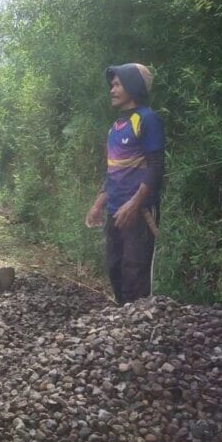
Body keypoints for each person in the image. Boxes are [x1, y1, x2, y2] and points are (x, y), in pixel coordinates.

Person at [85, 63, 165, 305]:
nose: (112, 89)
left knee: (135, 278)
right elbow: (112, 171)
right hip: (115, 212)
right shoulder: (116, 127)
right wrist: (98, 204)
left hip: (138, 213)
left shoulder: (147, 119)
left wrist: (134, 204)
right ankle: (122, 332)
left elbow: (156, 167)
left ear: (133, 86)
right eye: (112, 85)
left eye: (118, 84)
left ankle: (137, 333)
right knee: (115, 271)